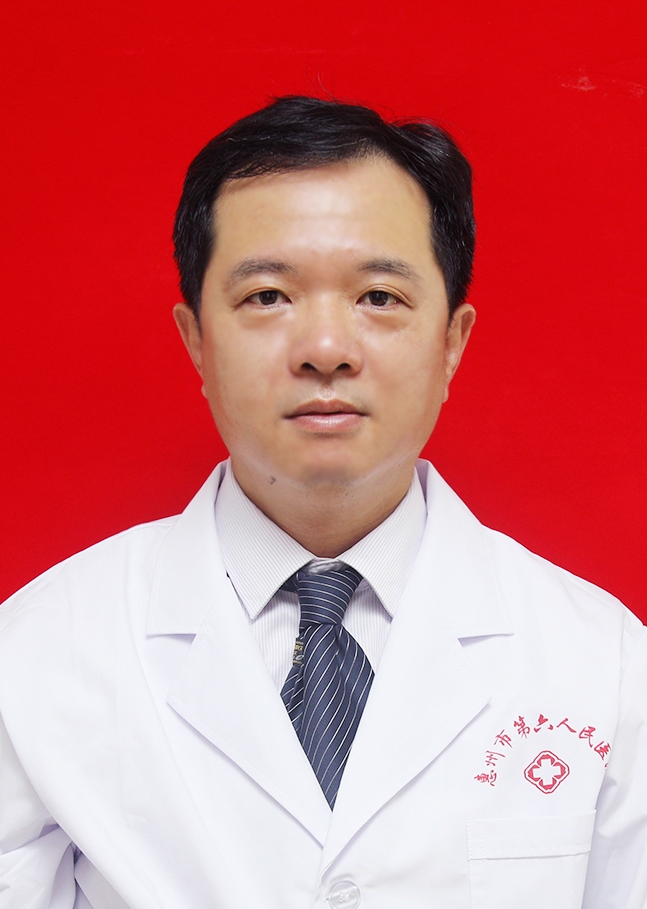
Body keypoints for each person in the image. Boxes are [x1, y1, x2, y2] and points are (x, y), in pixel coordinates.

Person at [0, 96, 645, 909]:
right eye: (268, 295)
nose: (326, 350)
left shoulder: (599, 660)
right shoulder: (40, 652)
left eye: (378, 296)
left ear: (452, 342)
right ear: (195, 339)